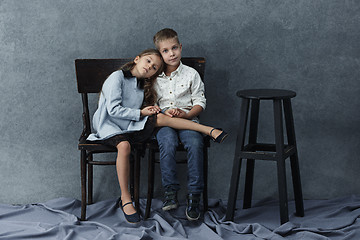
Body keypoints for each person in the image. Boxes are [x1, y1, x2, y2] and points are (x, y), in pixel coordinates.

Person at [87, 48, 227, 223]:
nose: (150, 67)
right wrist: (141, 113)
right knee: (124, 146)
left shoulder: (142, 85)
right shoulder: (117, 77)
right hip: (109, 124)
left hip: (130, 124)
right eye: (148, 61)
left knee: (161, 117)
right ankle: (126, 199)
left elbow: (141, 108)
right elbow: (113, 110)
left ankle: (208, 130)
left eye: (154, 67)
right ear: (137, 59)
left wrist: (150, 110)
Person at [153, 28, 221, 221]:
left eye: (174, 48)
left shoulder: (191, 74)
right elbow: (153, 104)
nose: (171, 53)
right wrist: (166, 112)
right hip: (165, 123)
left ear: (180, 47)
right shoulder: (155, 78)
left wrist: (186, 114)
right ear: (160, 54)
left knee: (195, 143)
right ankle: (170, 192)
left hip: (189, 121)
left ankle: (194, 196)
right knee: (166, 143)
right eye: (165, 51)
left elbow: (200, 101)